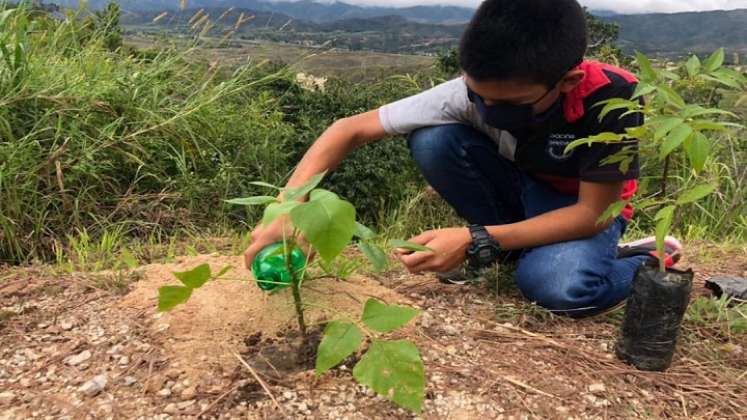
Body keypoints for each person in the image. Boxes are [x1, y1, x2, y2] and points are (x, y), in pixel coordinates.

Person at [244, 0, 683, 318]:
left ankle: (641, 258)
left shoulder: (612, 99)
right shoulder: (470, 91)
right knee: (434, 140)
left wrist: (476, 240)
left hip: (582, 211)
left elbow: (592, 213)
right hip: (521, 190)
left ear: (565, 81)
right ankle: (517, 249)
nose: (487, 108)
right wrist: (287, 207)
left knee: (562, 290)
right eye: (478, 95)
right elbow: (347, 129)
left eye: (506, 102)